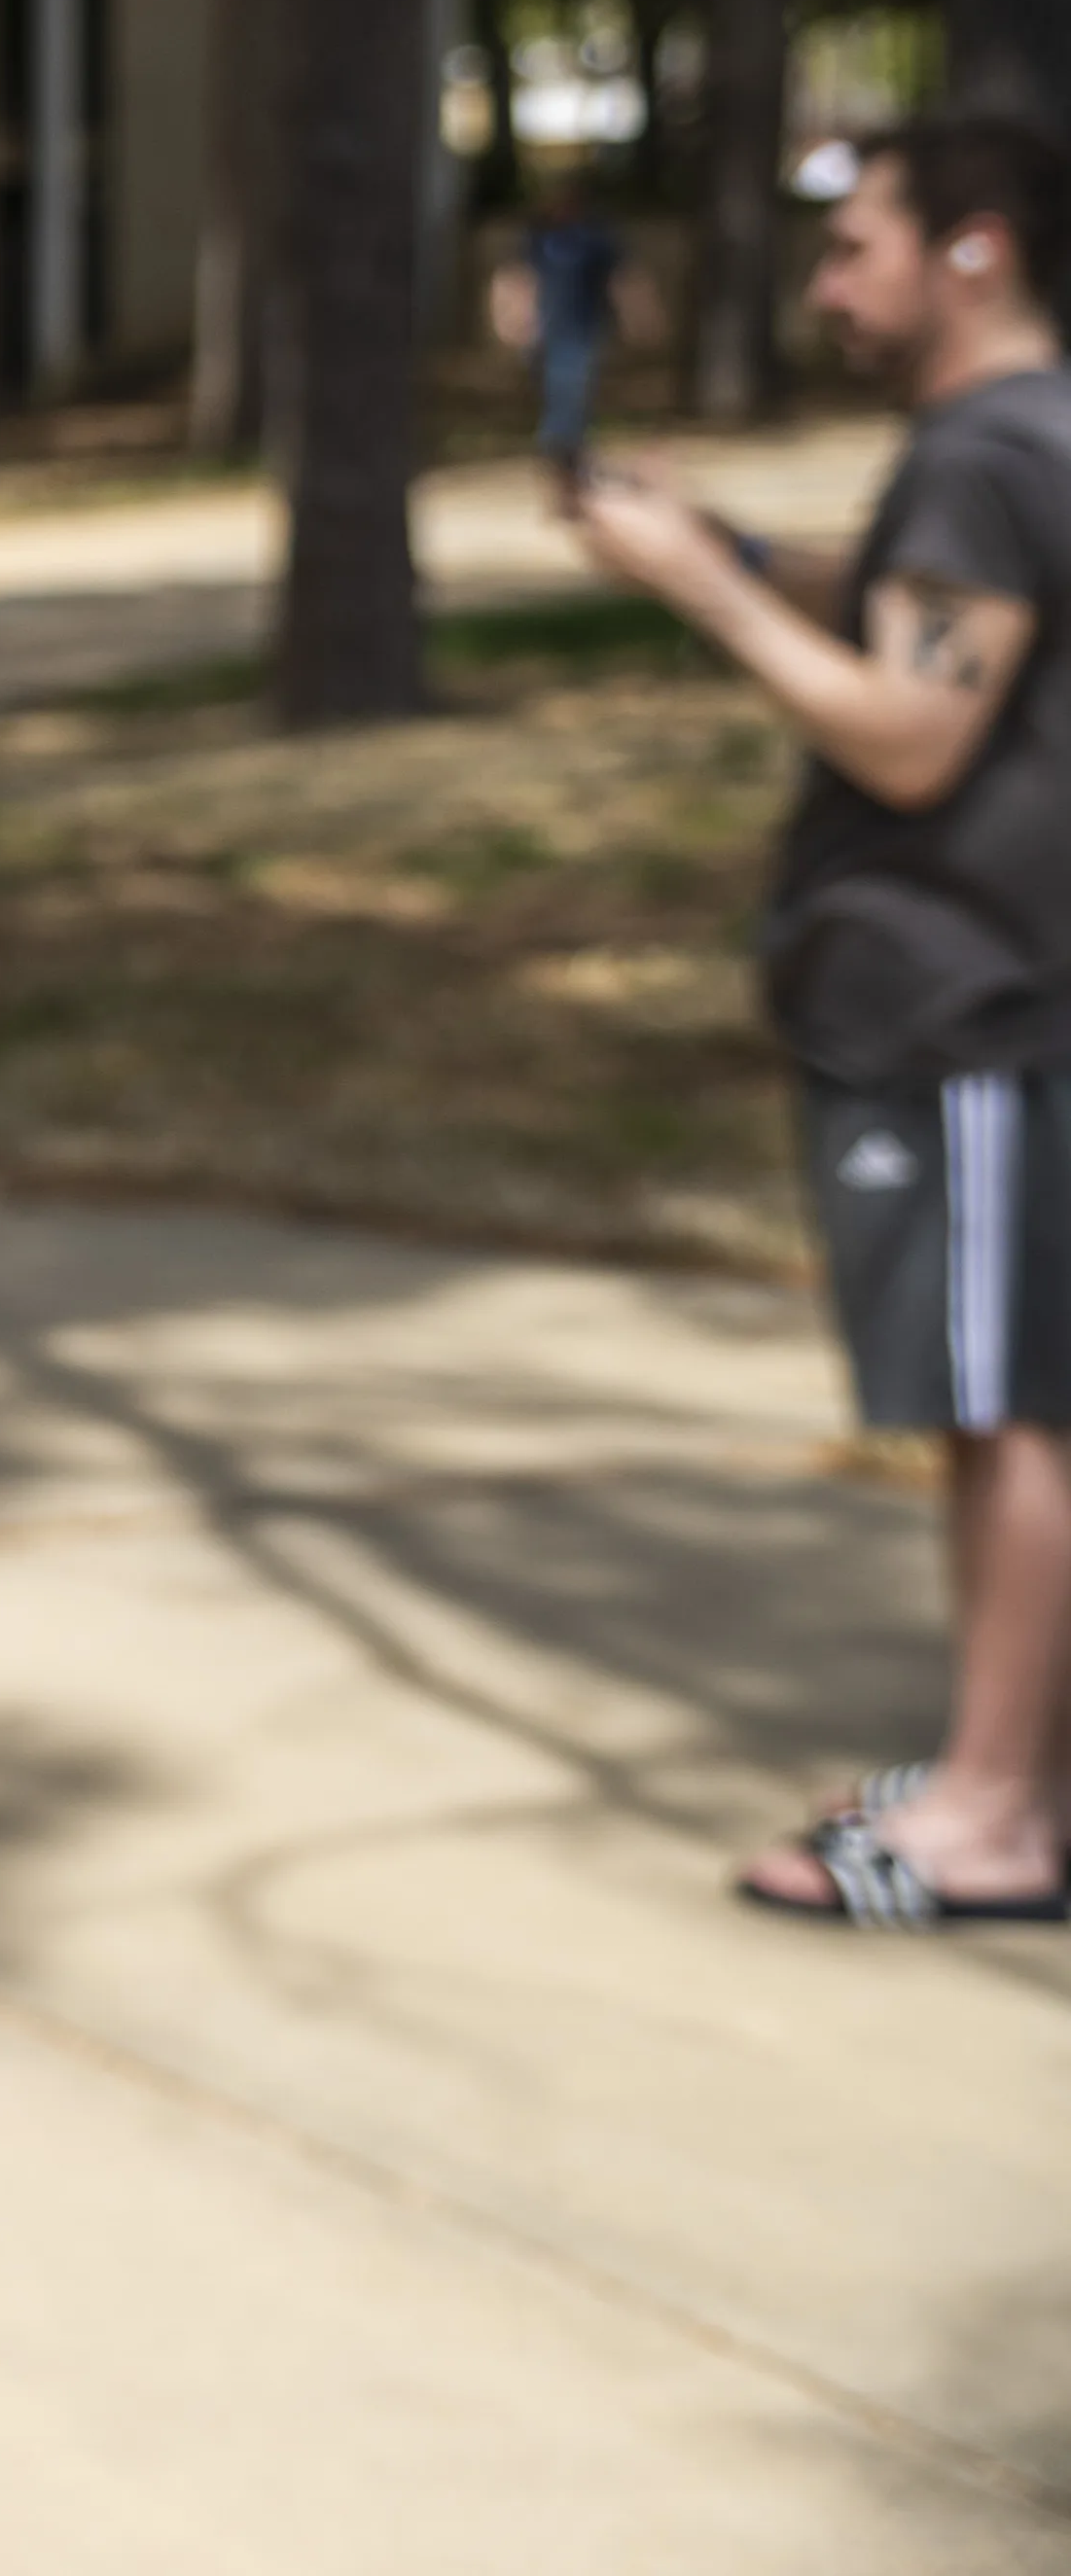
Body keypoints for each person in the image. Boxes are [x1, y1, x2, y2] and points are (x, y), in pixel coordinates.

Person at [569, 112, 1071, 1931]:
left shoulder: (980, 456)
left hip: (979, 998)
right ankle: (995, 1767)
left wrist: (695, 589)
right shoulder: (1012, 442)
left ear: (974, 249)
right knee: (988, 1397)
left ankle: (1000, 1814)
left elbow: (911, 729)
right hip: (991, 995)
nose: (827, 281)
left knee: (1009, 1407)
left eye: (857, 243)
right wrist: (738, 543)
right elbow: (921, 626)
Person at [521, 168, 627, 494]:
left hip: (584, 327)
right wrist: (517, 318)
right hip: (549, 330)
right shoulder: (541, 238)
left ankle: (568, 457)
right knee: (558, 392)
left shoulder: (595, 239)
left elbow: (620, 280)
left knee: (574, 390)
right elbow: (521, 278)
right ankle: (562, 458)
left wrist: (635, 315)